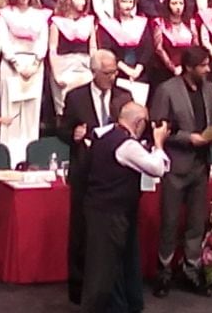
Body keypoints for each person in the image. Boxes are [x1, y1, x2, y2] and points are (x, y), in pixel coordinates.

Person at [58, 49, 133, 306]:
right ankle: (79, 289)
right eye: (108, 73)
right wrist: (73, 134)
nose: (113, 77)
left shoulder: (124, 97)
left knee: (112, 235)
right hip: (84, 172)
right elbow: (60, 128)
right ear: (94, 72)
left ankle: (113, 288)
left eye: (115, 72)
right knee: (81, 232)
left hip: (115, 176)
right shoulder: (76, 97)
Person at [81, 102, 170, 313]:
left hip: (104, 209)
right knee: (106, 269)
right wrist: (159, 142)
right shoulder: (127, 145)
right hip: (110, 213)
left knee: (116, 264)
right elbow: (157, 168)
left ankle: (124, 305)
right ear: (139, 123)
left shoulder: (105, 135)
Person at [150, 46, 212, 298]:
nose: (208, 69)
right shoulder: (167, 90)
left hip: (201, 166)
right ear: (189, 68)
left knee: (196, 222)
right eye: (203, 66)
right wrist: (189, 138)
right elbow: (159, 126)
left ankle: (192, 268)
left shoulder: (209, 89)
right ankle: (164, 270)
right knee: (169, 221)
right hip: (176, 165)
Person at [0, 0, 50, 166]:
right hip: (12, 65)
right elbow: (4, 41)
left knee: (31, 111)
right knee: (11, 110)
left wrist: (35, 64)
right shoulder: (5, 15)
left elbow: (43, 41)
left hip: (34, 65)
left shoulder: (39, 16)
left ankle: (29, 155)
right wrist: (17, 64)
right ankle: (9, 156)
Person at [48, 0, 96, 115]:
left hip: (84, 66)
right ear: (69, 0)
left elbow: (93, 48)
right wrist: (57, 74)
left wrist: (95, 69)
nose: (83, 2)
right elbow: (52, 50)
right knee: (66, 105)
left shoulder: (89, 21)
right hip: (64, 66)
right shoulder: (57, 23)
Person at [97, 0, 153, 84]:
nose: (128, 5)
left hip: (140, 73)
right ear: (117, 3)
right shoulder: (108, 25)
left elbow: (148, 48)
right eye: (124, 1)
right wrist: (127, 70)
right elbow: (107, 49)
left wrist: (137, 70)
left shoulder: (141, 22)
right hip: (117, 72)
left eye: (131, 2)